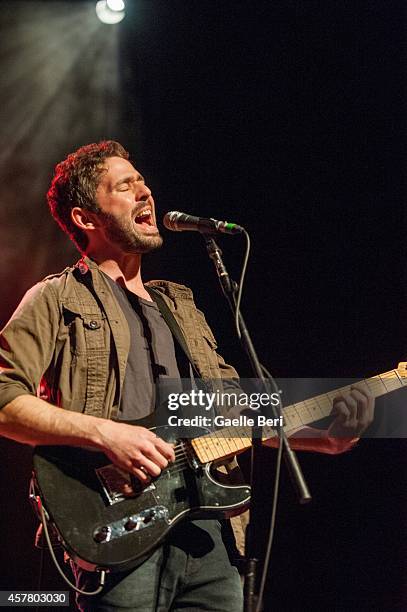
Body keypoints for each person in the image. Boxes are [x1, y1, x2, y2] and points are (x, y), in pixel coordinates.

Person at [0, 141, 374, 611]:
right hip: (117, 532)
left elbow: (234, 413)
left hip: (210, 535)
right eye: (125, 185)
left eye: (143, 182)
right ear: (85, 218)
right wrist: (107, 433)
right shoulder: (55, 299)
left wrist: (324, 439)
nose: (145, 192)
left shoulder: (179, 306)